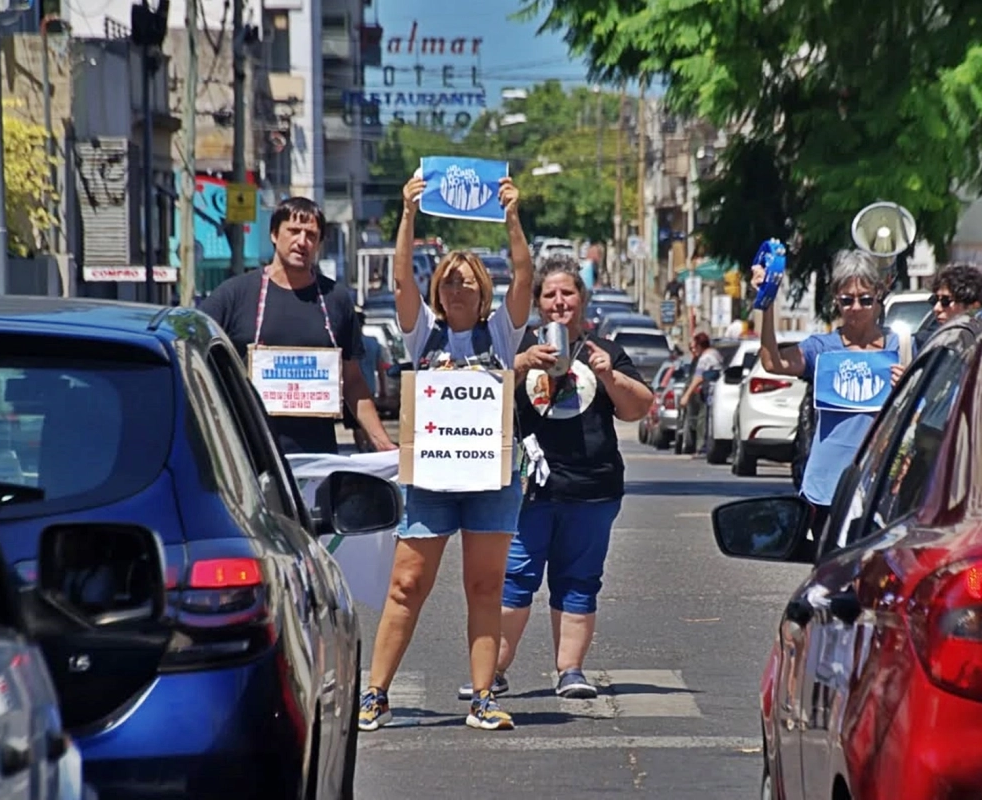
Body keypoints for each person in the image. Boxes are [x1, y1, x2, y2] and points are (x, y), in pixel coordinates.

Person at [359, 173, 534, 733]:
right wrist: (407, 214)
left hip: (491, 480)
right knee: (406, 586)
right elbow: (399, 281)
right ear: (437, 292)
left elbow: (525, 276)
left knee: (484, 587)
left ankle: (483, 698)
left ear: (485, 292)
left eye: (467, 282)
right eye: (449, 282)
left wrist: (512, 218)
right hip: (431, 481)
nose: (457, 290)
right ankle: (375, 695)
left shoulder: (503, 336)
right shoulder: (421, 336)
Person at [470, 253, 651, 700]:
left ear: (582, 299)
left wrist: (610, 377)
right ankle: (490, 673)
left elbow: (639, 407)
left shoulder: (604, 351)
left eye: (567, 292)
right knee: (515, 579)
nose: (559, 302)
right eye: (549, 295)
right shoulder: (520, 348)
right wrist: (520, 364)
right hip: (529, 491)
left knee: (579, 580)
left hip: (594, 488)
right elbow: (481, 395)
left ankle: (570, 670)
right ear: (537, 303)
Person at [200, 196, 393, 454]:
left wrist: (383, 444)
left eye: (311, 235)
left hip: (316, 458)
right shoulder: (235, 294)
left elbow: (353, 381)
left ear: (319, 244)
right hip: (248, 456)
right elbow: (194, 353)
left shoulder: (335, 299)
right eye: (293, 231)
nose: (302, 242)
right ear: (273, 234)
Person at [754, 250, 901, 539]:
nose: (856, 307)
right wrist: (766, 302)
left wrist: (907, 383)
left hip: (880, 484)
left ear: (879, 295)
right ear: (836, 298)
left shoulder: (901, 347)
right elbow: (772, 362)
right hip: (825, 487)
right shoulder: (821, 348)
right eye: (847, 300)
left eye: (865, 299)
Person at [912, 264, 982, 351]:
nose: (937, 308)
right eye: (935, 300)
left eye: (945, 301)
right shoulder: (928, 343)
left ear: (973, 307)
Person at [679, 332, 722, 457]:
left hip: (709, 393)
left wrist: (686, 396)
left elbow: (698, 378)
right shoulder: (715, 354)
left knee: (703, 421)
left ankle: (702, 448)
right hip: (715, 393)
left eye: (694, 347)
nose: (693, 351)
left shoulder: (705, 358)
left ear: (699, 345)